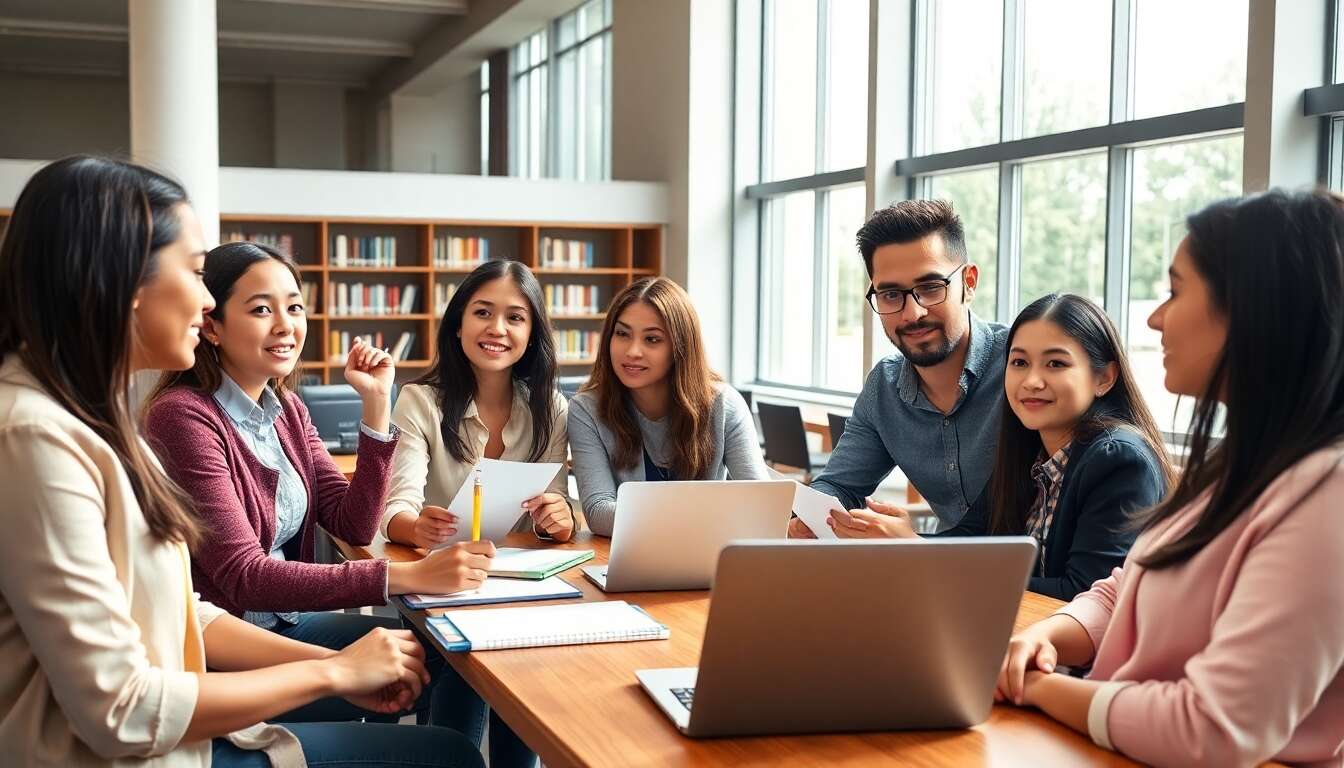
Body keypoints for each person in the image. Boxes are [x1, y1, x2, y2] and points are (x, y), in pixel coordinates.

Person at [0, 155, 482, 767]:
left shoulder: (89, 420)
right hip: (154, 751)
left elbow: (180, 611)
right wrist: (331, 674)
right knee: (445, 755)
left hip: (189, 713)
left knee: (441, 696)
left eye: (294, 306)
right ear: (117, 281)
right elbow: (124, 710)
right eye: (197, 274)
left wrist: (338, 665)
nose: (204, 302)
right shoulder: (37, 437)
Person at [996, 190, 1344, 766]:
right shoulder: (1240, 463)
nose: (1156, 318)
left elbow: (1211, 729)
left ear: (1254, 311)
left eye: (1176, 291)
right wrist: (1046, 636)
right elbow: (1129, 585)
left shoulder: (1325, 496)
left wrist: (1035, 688)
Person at [142, 242, 499, 747]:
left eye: (293, 306)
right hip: (232, 654)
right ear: (213, 325)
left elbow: (351, 523)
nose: (285, 325)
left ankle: (383, 746)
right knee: (442, 708)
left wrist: (377, 406)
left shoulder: (285, 408)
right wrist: (406, 576)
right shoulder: (184, 416)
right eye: (261, 309)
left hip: (286, 624)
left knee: (449, 652)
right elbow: (245, 578)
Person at [830, 293, 1172, 601]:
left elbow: (1083, 593)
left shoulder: (1120, 459)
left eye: (1056, 364)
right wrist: (892, 538)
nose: (1032, 381)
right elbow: (970, 538)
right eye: (1019, 363)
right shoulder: (1028, 451)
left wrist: (916, 550)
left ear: (1104, 378)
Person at [792, 199, 1008, 537]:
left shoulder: (1020, 366)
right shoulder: (885, 387)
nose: (912, 314)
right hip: (950, 576)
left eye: (930, 288)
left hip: (1049, 582)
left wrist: (914, 544)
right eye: (891, 295)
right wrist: (810, 518)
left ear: (969, 282)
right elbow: (840, 485)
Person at [382, 259, 577, 551]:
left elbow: (556, 514)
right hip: (440, 571)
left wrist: (559, 521)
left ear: (532, 335)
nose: (497, 329)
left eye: (515, 318)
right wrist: (416, 529)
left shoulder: (551, 408)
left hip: (524, 577)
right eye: (483, 313)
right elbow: (395, 511)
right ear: (458, 325)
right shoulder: (418, 403)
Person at [568, 277, 767, 535]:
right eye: (622, 334)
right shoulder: (587, 409)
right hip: (629, 560)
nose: (632, 351)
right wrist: (712, 514)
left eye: (652, 339)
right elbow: (599, 513)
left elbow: (761, 507)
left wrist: (644, 517)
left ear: (680, 347)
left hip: (709, 559)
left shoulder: (723, 405)